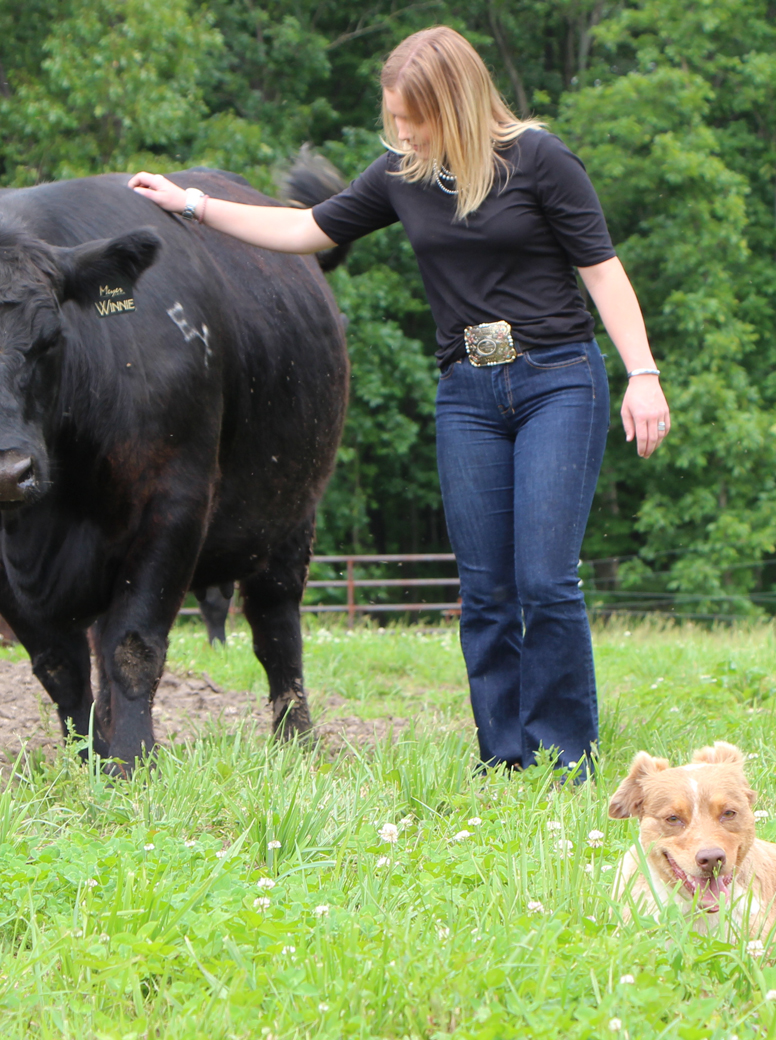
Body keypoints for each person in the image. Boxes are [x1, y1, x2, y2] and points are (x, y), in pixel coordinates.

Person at [129, 25, 669, 779]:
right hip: (469, 393)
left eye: (413, 116)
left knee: (545, 581)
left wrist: (642, 375)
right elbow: (304, 230)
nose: (403, 131)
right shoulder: (402, 175)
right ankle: (505, 761)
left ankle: (564, 759)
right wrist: (193, 204)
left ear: (456, 101)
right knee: (484, 589)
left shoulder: (541, 161)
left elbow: (604, 273)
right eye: (395, 118)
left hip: (556, 380)